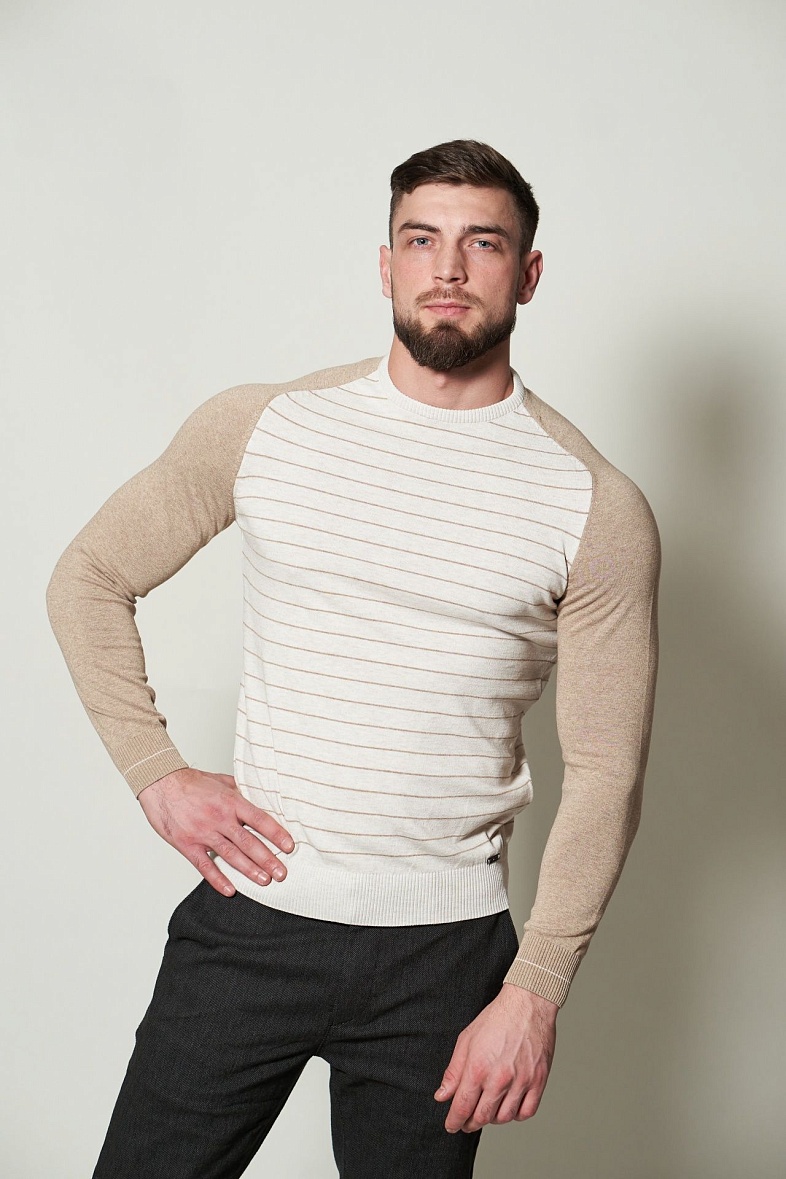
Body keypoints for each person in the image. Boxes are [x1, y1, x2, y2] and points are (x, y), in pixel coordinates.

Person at [46, 138, 661, 1179]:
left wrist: (535, 990)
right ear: (385, 265)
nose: (448, 268)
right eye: (421, 240)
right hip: (253, 926)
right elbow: (89, 577)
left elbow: (606, 773)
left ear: (529, 273)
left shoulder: (595, 504)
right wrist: (157, 772)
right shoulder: (265, 426)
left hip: (446, 961)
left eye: (483, 244)